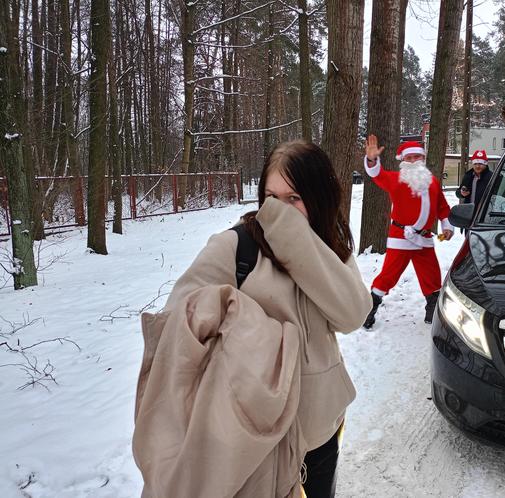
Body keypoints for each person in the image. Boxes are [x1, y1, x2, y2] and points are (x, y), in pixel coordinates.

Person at [133, 141, 372, 498]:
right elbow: (178, 322)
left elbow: (352, 314)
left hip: (322, 428)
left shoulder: (330, 245)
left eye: (294, 199)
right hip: (263, 436)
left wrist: (297, 240)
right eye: (270, 197)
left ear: (319, 197)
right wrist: (252, 331)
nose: (279, 210)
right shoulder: (236, 246)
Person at [362, 135, 454, 329]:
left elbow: (442, 207)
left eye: (416, 157)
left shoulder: (433, 182)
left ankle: (432, 308)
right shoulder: (395, 179)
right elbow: (377, 175)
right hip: (400, 237)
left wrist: (446, 225)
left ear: (422, 159)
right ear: (402, 161)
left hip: (424, 238)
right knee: (388, 275)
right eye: (409, 158)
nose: (413, 161)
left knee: (431, 275)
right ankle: (370, 308)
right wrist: (371, 159)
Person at [456, 149, 493, 215]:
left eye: (480, 164)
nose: (477, 166)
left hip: (484, 215)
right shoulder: (468, 176)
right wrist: (461, 193)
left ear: (485, 164)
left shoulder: (491, 177)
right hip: (468, 214)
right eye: (475, 163)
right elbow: (458, 192)